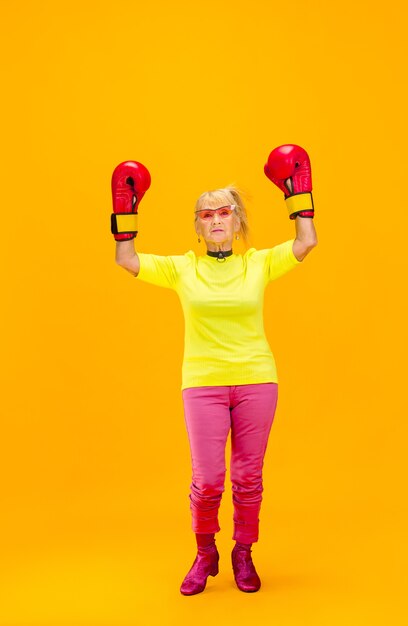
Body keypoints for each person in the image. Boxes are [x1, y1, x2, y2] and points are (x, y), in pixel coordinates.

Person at [111, 144, 318, 595]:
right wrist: (123, 213)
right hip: (202, 383)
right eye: (207, 215)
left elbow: (306, 243)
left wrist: (297, 192)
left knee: (248, 477)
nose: (217, 220)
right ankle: (206, 553)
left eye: (225, 212)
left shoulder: (258, 263)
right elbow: (127, 261)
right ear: (198, 227)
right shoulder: (183, 269)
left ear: (238, 221)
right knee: (207, 480)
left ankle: (243, 553)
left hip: (256, 379)